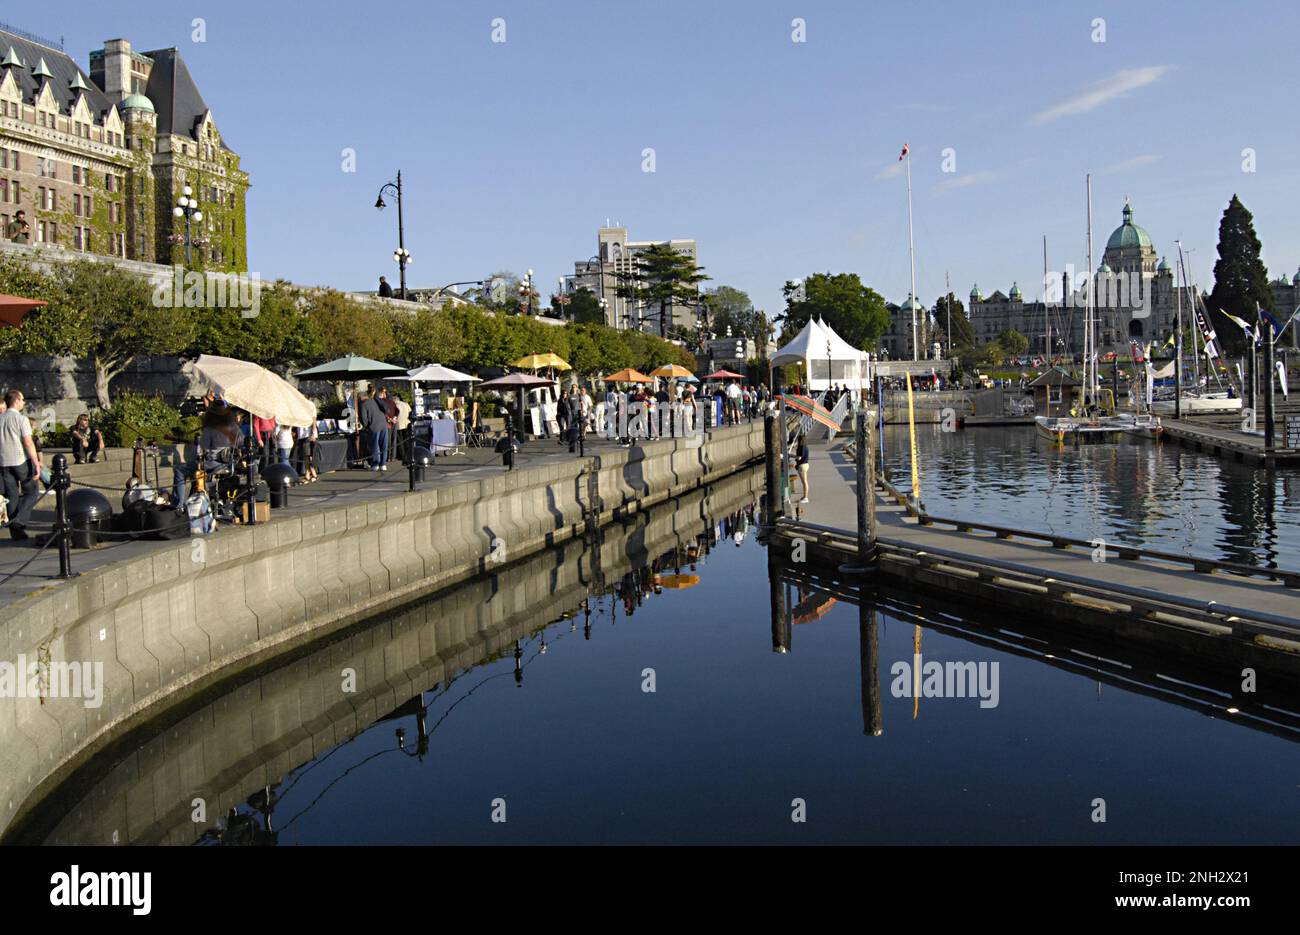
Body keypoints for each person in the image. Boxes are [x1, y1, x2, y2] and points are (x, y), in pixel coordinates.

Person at [0, 390, 43, 540]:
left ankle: (15, 531)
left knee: (11, 496)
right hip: (20, 460)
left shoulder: (0, 418)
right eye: (23, 400)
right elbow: (28, 442)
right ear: (16, 401)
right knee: (31, 492)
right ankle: (20, 521)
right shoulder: (21, 419)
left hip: (3, 462)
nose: (24, 402)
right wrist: (36, 462)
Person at [359, 391, 389, 471]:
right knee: (384, 445)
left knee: (375, 446)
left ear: (361, 398)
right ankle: (383, 464)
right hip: (384, 424)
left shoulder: (364, 404)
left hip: (373, 426)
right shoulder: (376, 400)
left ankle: (375, 464)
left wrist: (366, 426)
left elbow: (363, 418)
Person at [794, 432, 811, 505]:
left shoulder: (802, 447)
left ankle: (805, 498)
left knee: (804, 482)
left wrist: (790, 455)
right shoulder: (805, 446)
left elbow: (799, 457)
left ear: (800, 440)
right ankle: (804, 496)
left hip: (802, 465)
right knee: (805, 481)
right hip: (805, 465)